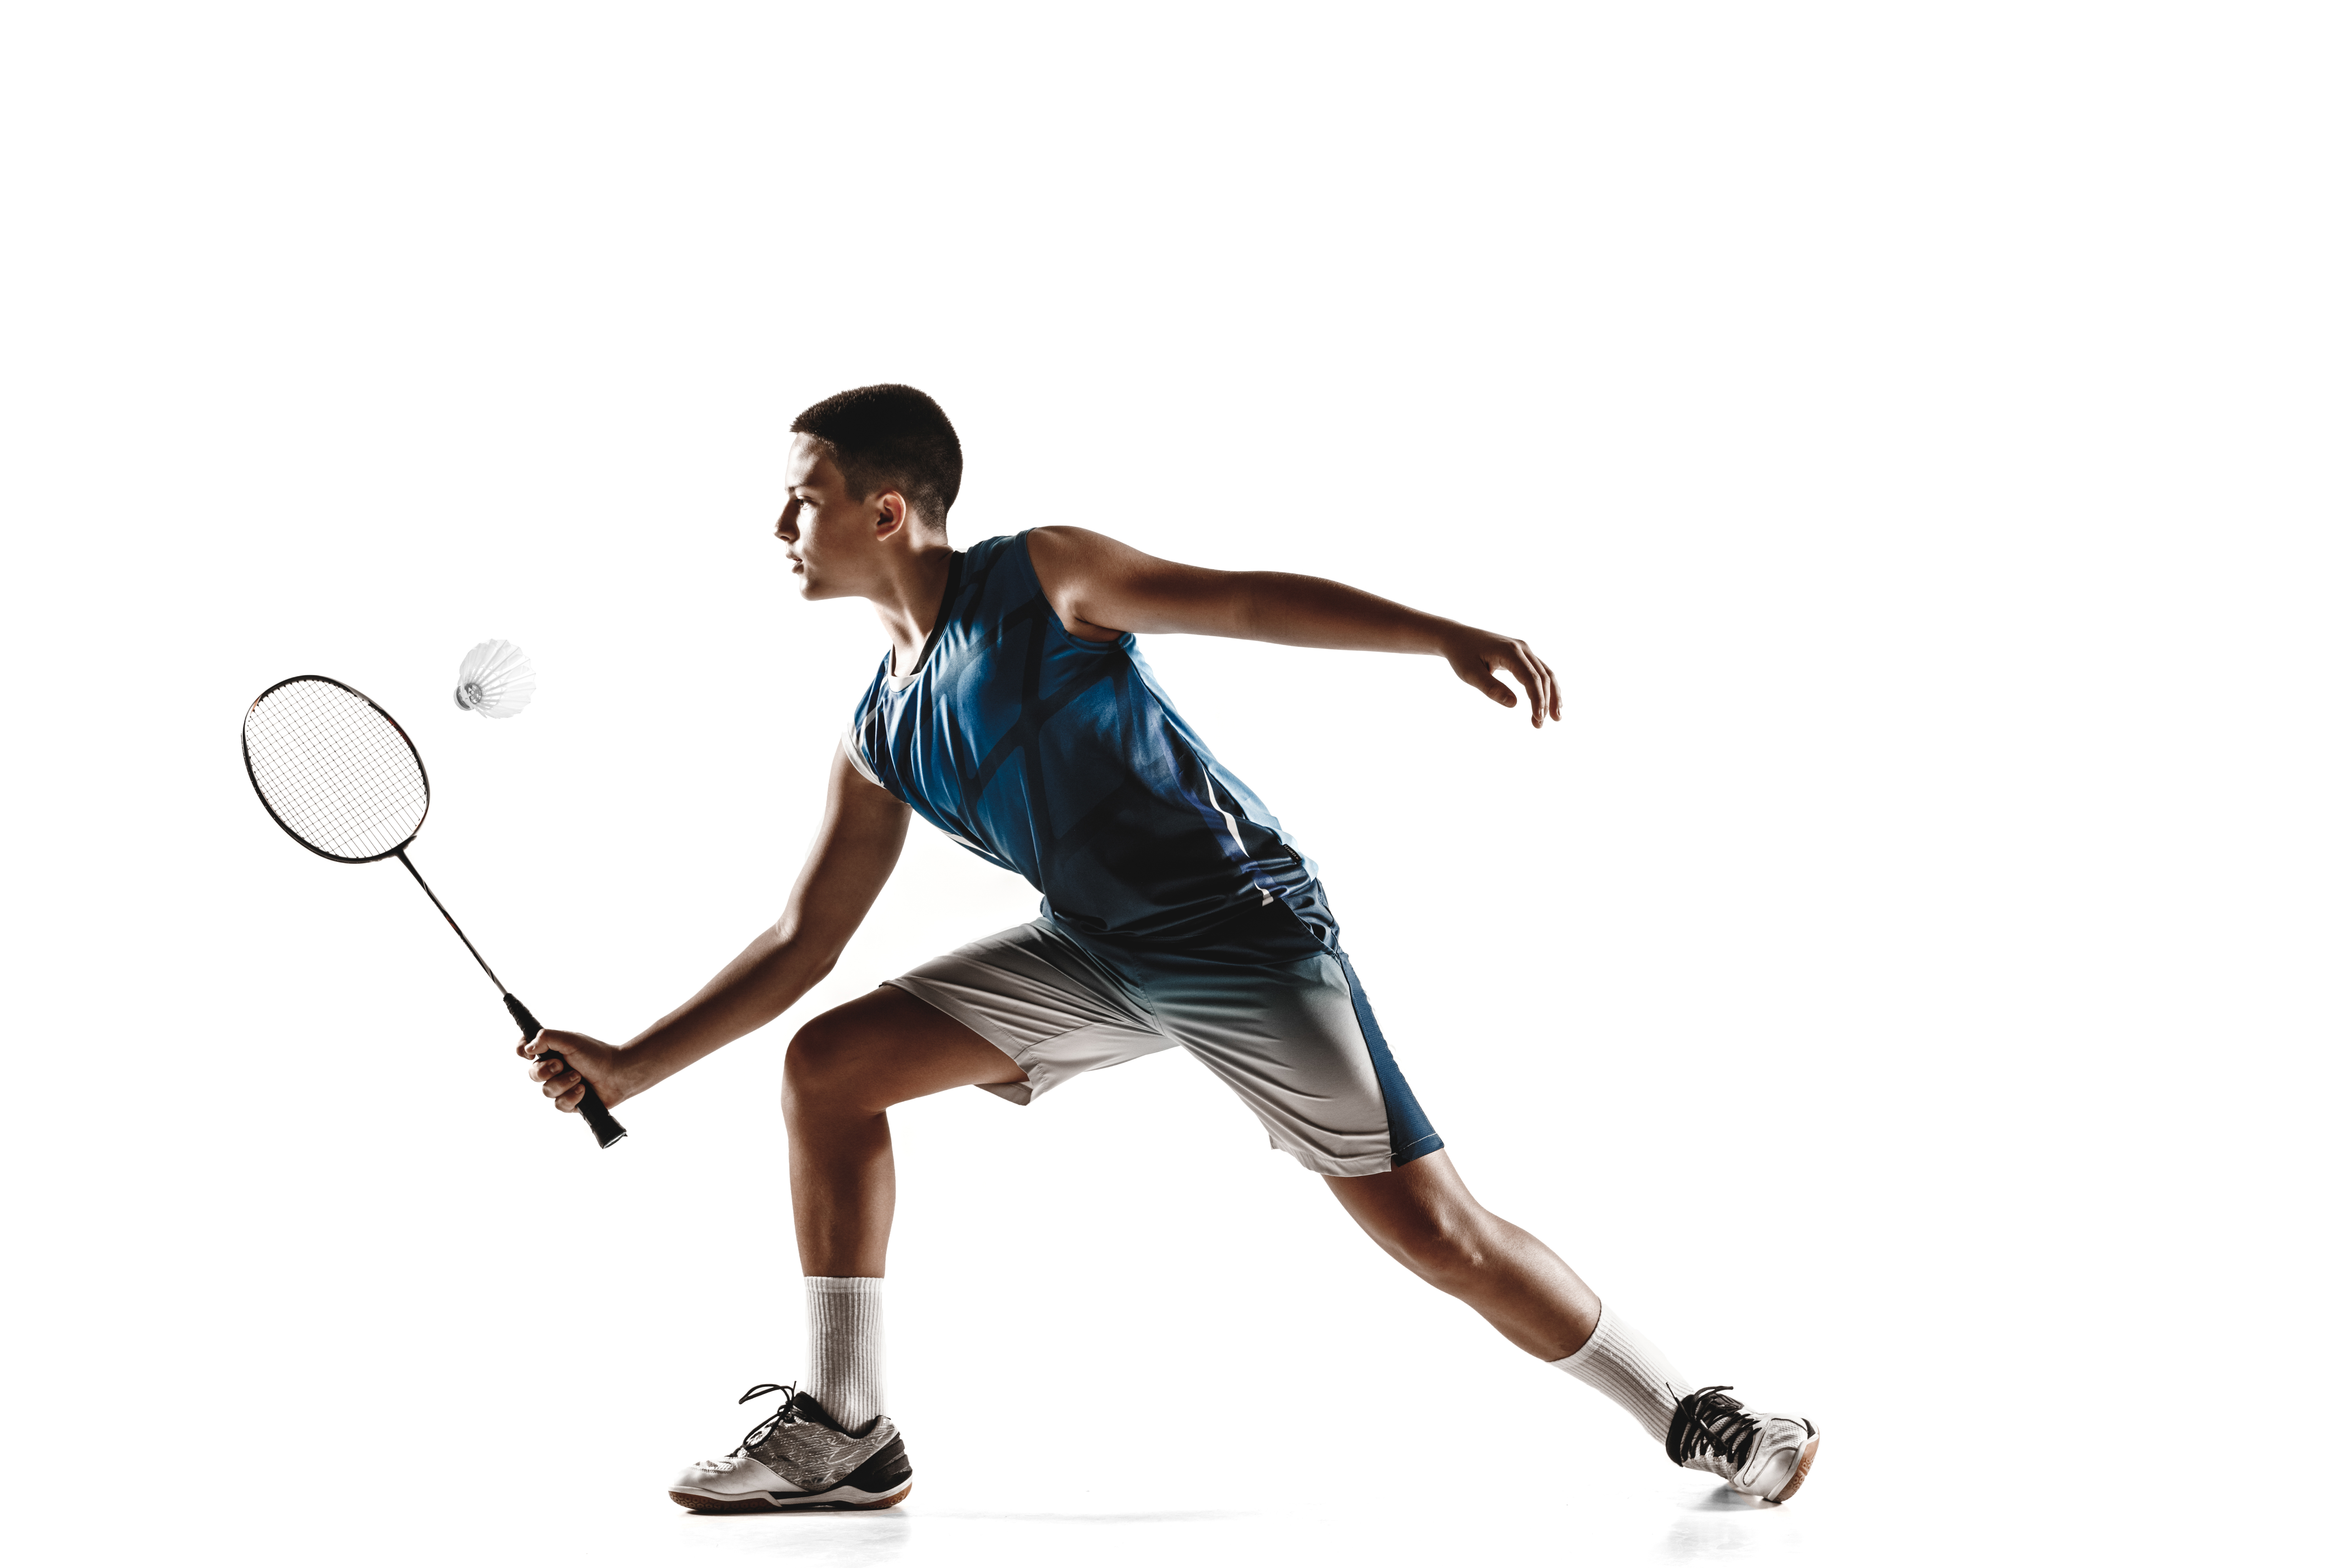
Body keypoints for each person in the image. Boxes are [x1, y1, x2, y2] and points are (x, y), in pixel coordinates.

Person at [524, 384, 1819, 1513]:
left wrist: (1441, 635)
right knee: (832, 1063)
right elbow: (806, 939)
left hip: (1239, 939)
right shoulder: (880, 727)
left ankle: (1698, 1415)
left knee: (1438, 1234)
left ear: (883, 511)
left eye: (799, 499)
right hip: (1094, 951)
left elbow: (1242, 600)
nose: (775, 529)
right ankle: (848, 1428)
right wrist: (634, 1065)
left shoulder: (1040, 576)